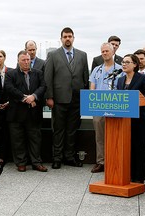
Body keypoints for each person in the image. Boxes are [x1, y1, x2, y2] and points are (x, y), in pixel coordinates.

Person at [44, 27, 89, 169]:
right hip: (59, 100)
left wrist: (85, 97)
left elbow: (85, 78)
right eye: (65, 37)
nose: (67, 39)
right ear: (61, 39)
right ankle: (57, 158)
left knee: (72, 130)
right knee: (58, 130)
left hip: (77, 100)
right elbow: (48, 78)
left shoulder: (82, 55)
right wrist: (49, 97)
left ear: (73, 38)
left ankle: (69, 157)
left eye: (70, 36)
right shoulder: (53, 55)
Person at [5, 50, 47, 172]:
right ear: (18, 61)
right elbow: (9, 89)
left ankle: (36, 162)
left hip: (34, 113)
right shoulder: (10, 74)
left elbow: (43, 87)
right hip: (16, 114)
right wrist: (26, 98)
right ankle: (21, 163)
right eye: (23, 60)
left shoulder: (38, 73)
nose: (26, 62)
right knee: (17, 140)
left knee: (35, 139)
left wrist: (33, 97)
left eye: (28, 59)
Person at [117, 54, 145, 183]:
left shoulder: (143, 78)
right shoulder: (120, 80)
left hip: (139, 119)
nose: (124, 64)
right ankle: (129, 174)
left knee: (139, 147)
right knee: (128, 147)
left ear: (135, 64)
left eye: (127, 62)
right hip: (124, 120)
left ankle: (139, 177)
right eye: (123, 62)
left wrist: (133, 99)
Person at [89, 42, 122, 173]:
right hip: (99, 107)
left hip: (115, 107)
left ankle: (114, 160)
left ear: (113, 52)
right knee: (100, 136)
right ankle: (101, 162)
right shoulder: (97, 69)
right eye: (102, 51)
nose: (104, 53)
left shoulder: (120, 69)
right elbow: (92, 88)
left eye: (107, 51)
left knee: (115, 135)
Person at [0, 50, 13, 164]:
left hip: (8, 105)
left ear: (4, 58)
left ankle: (3, 155)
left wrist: (8, 102)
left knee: (6, 132)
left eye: (0, 56)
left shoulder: (10, 71)